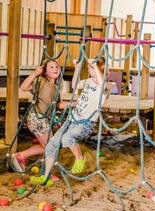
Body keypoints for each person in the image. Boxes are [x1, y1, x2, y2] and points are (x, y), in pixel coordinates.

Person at [30, 57, 109, 185]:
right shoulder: (88, 81)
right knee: (51, 146)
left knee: (67, 139)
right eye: (89, 69)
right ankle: (45, 177)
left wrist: (94, 65)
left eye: (92, 69)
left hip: (85, 123)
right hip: (71, 120)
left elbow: (101, 81)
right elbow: (75, 84)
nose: (90, 71)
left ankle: (79, 158)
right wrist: (78, 67)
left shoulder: (104, 86)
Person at [9, 60, 67, 172]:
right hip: (37, 118)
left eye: (57, 67)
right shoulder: (41, 81)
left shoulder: (57, 86)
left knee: (46, 146)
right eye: (51, 67)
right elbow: (24, 87)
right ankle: (46, 174)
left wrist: (72, 104)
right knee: (51, 147)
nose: (55, 69)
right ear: (45, 72)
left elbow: (59, 104)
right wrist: (35, 73)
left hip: (44, 120)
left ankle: (20, 156)